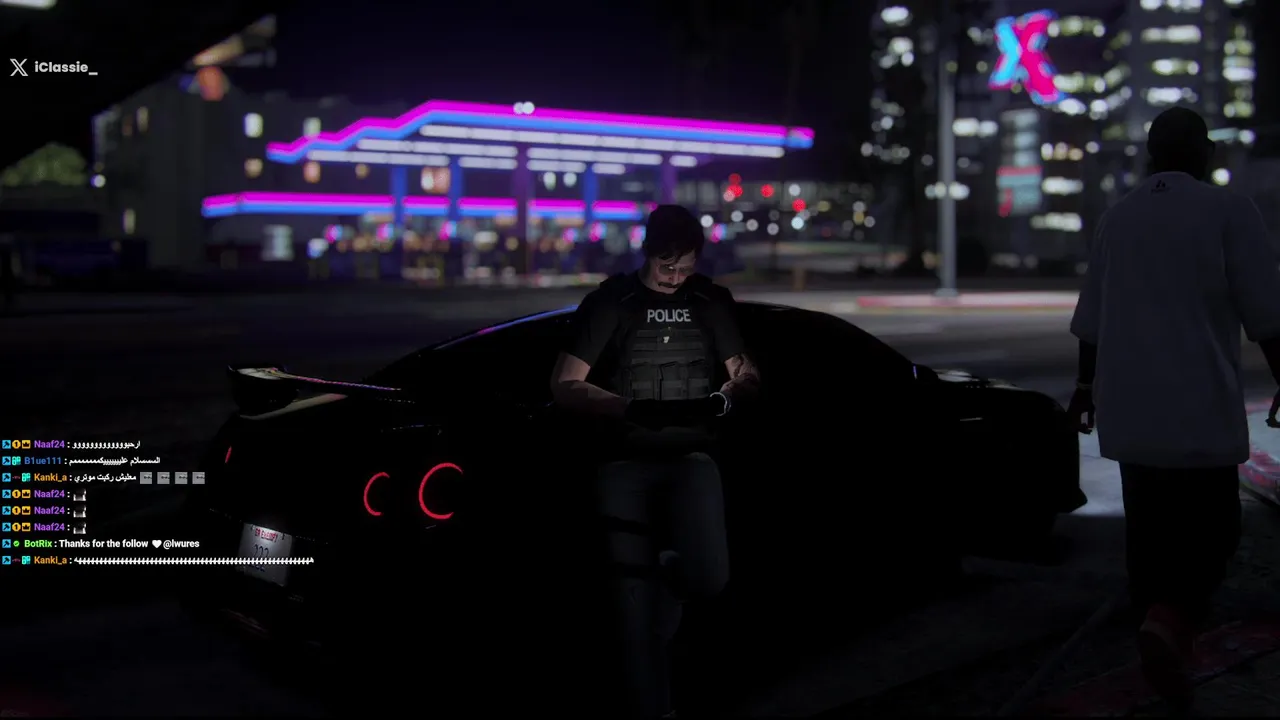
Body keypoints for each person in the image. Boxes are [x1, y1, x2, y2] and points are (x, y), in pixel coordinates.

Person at [1067, 106, 1280, 712]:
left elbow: (1091, 320)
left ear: (1151, 156)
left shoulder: (1116, 218)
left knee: (1150, 544)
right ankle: (1171, 624)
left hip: (1128, 412)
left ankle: (1162, 658)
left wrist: (1083, 389)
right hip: (1196, 410)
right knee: (1215, 534)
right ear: (1204, 152)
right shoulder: (1229, 210)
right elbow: (1267, 314)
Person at [549, 204, 760, 719]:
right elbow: (564, 384)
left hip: (692, 458)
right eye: (667, 265)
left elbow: (747, 373)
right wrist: (628, 408)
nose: (675, 276)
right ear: (647, 252)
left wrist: (726, 398)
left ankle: (668, 582)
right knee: (632, 610)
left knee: (709, 579)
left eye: (686, 266)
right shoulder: (611, 302)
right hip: (623, 462)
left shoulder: (709, 300)